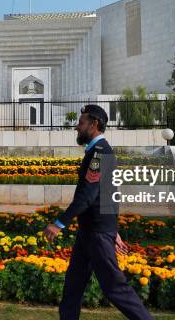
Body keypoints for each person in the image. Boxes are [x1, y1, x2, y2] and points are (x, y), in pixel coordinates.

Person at [43, 104, 155, 320]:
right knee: (73, 285)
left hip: (96, 233)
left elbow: (87, 196)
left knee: (114, 287)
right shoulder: (98, 151)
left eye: (81, 122)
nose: (77, 127)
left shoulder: (100, 153)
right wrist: (113, 229)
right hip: (90, 232)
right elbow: (109, 193)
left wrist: (58, 224)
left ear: (93, 125)